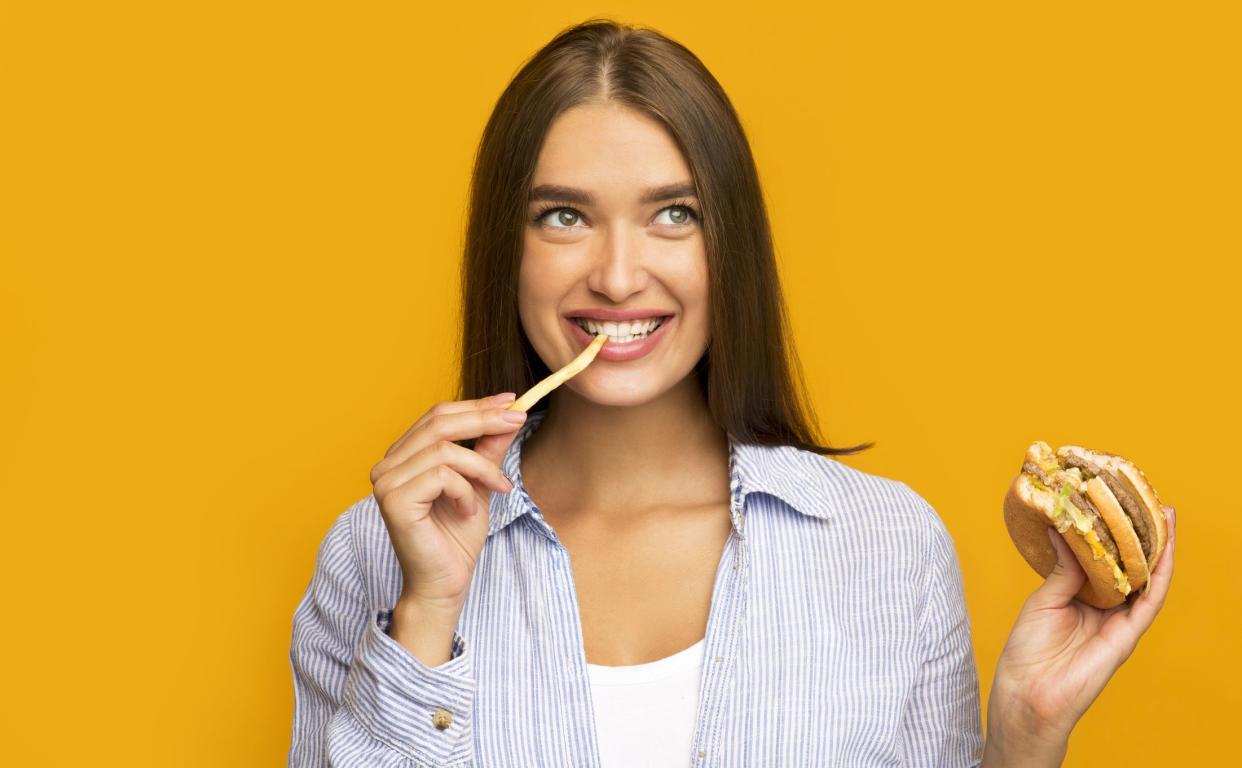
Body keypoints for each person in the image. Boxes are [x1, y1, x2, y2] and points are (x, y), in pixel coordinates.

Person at [287, 19, 1175, 767]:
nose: (620, 273)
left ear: (731, 247)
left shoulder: (885, 549)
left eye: (675, 213)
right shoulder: (376, 555)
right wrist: (430, 612)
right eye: (564, 215)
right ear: (505, 250)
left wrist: (1024, 734)